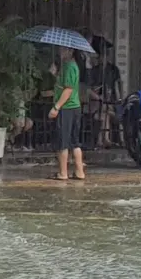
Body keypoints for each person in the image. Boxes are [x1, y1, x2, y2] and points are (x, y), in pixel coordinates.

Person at [48, 45, 85, 180]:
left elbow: (68, 90)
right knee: (74, 141)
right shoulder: (68, 66)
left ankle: (63, 172)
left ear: (71, 51)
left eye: (64, 50)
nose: (60, 52)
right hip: (74, 107)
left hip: (67, 108)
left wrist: (56, 107)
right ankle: (79, 171)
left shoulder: (69, 66)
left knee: (63, 141)